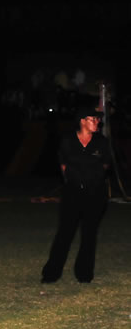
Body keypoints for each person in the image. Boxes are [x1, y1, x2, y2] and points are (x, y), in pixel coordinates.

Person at [41, 107, 110, 283]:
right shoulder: (68, 140)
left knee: (89, 234)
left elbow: (104, 165)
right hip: (72, 193)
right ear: (82, 120)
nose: (97, 122)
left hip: (95, 193)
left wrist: (91, 180)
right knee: (65, 233)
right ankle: (51, 273)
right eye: (93, 119)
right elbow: (63, 165)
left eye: (97, 120)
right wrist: (74, 181)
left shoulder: (101, 142)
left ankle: (84, 273)